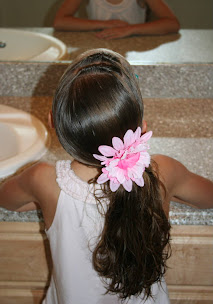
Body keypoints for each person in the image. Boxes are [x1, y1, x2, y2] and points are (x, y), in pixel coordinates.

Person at [0, 48, 213, 304]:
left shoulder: (44, 181)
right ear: (142, 128)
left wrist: (39, 199)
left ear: (53, 123)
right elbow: (208, 198)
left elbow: (7, 200)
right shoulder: (163, 173)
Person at [54, 0, 180, 39]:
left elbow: (172, 24)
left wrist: (130, 29)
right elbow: (60, 22)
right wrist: (105, 24)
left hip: (133, 53)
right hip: (99, 47)